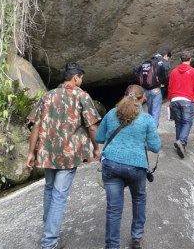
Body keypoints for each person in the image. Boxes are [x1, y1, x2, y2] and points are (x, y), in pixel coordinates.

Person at [26, 62, 101, 249]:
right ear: (75, 77)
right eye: (81, 77)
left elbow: (35, 124)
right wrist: (96, 148)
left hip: (48, 153)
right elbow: (92, 126)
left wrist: (30, 152)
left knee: (49, 189)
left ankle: (48, 228)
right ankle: (49, 242)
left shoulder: (48, 96)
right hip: (69, 154)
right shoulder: (82, 96)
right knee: (59, 195)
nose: (82, 81)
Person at [96, 85, 161, 249]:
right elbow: (155, 146)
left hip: (110, 165)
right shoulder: (146, 119)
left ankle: (112, 246)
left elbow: (99, 137)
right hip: (136, 167)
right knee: (139, 199)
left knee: (113, 209)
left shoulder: (111, 113)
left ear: (124, 96)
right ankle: (137, 238)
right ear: (142, 99)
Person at [168, 52, 194, 158]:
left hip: (175, 99)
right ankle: (181, 141)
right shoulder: (193, 71)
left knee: (178, 123)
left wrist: (170, 100)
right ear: (190, 59)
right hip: (187, 100)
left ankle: (180, 144)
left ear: (180, 59)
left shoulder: (174, 71)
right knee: (187, 122)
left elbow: (170, 87)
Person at [134, 49, 171, 127]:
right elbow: (166, 72)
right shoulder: (162, 61)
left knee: (150, 111)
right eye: (168, 58)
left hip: (145, 89)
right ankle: (152, 132)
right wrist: (163, 84)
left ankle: (149, 128)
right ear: (166, 55)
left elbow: (135, 69)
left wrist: (140, 80)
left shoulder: (148, 61)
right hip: (156, 89)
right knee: (155, 112)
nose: (168, 60)